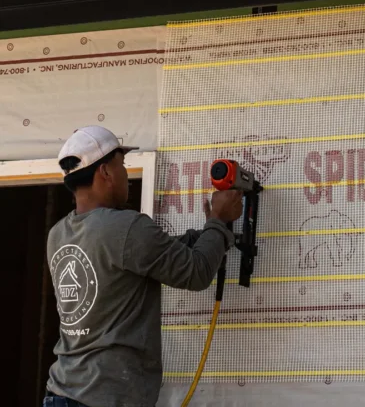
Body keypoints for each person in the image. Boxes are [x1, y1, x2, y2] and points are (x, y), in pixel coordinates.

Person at [43, 126, 243, 407]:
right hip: (104, 398)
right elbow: (196, 273)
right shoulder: (126, 227)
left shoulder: (59, 234)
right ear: (105, 172)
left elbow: (147, 254)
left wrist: (209, 234)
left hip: (62, 393)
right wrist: (220, 221)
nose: (127, 175)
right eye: (122, 165)